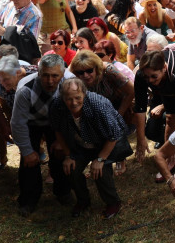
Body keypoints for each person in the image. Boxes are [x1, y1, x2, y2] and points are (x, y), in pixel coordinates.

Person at [49, 78, 128, 218]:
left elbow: (114, 135)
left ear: (84, 94)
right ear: (62, 97)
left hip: (106, 142)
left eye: (77, 98)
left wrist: (100, 159)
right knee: (71, 168)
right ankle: (83, 201)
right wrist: (68, 156)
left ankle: (113, 202)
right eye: (68, 99)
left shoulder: (98, 104)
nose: (73, 103)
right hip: (81, 143)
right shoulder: (56, 105)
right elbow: (57, 131)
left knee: (100, 170)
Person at [10, 54, 71, 216]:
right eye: (45, 75)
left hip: (56, 122)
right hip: (31, 122)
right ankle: (29, 199)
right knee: (29, 161)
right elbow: (17, 124)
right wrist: (27, 151)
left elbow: (71, 116)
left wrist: (62, 141)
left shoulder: (69, 85)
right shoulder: (25, 90)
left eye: (54, 76)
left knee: (59, 154)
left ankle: (63, 191)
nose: (50, 81)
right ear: (38, 73)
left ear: (62, 74)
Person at [69, 50, 134, 122]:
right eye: (81, 72)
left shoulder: (109, 70)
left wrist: (118, 116)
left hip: (119, 108)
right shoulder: (75, 78)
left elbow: (131, 91)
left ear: (96, 68)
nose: (85, 75)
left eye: (89, 70)